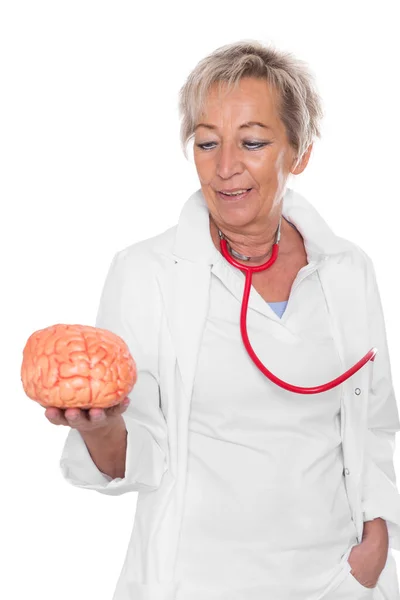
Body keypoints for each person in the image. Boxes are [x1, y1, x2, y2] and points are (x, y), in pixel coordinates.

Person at [46, 40, 400, 600]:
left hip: (337, 582)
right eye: (207, 143)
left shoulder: (348, 269)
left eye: (253, 142)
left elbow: (375, 423)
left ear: (299, 152)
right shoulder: (146, 273)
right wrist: (100, 428)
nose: (225, 166)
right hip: (196, 584)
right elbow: (136, 457)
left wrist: (375, 541)